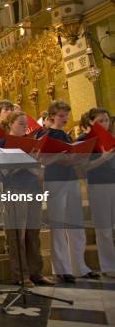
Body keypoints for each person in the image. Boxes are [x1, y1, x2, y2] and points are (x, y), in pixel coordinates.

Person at [42, 100, 99, 283]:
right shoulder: (46, 135)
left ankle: (79, 267)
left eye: (67, 115)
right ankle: (61, 268)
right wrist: (64, 157)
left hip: (71, 179)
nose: (65, 118)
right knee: (58, 226)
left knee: (76, 226)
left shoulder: (65, 135)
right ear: (51, 116)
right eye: (61, 115)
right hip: (55, 181)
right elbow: (43, 159)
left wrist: (78, 157)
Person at [0, 111, 55, 287]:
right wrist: (23, 162)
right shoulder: (3, 143)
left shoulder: (32, 143)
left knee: (33, 233)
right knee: (17, 234)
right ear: (11, 124)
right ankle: (20, 275)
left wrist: (36, 165)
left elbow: (40, 173)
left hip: (34, 189)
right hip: (15, 189)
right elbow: (1, 173)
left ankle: (36, 273)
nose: (24, 127)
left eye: (25, 124)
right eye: (21, 123)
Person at [77, 108, 115, 278]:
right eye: (100, 120)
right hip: (99, 185)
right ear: (91, 122)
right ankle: (108, 266)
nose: (104, 124)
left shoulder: (111, 138)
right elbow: (83, 168)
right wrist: (103, 158)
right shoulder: (85, 140)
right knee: (104, 228)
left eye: (107, 120)